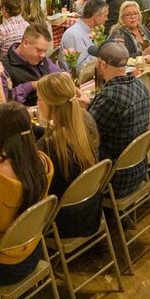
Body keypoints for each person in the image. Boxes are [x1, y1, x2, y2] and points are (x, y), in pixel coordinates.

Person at [0, 103, 53, 284]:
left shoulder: (0, 175)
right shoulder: (42, 161)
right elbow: (20, 184)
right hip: (33, 250)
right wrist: (2, 160)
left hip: (1, 265)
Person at [33, 73, 106, 238]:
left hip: (62, 224)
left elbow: (35, 189)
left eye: (40, 100)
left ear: (52, 105)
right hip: (91, 211)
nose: (39, 104)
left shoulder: (49, 145)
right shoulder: (86, 119)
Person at [88, 42, 150, 195]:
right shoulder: (140, 85)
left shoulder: (110, 98)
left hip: (114, 178)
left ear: (101, 64)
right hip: (138, 170)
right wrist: (91, 104)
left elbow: (87, 134)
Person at [1, 25, 63, 104]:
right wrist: (31, 86)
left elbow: (60, 74)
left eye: (45, 51)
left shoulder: (43, 60)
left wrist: (64, 76)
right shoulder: (3, 67)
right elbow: (6, 100)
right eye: (39, 50)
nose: (43, 55)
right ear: (25, 43)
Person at [60, 0, 106, 70]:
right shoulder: (74, 35)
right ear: (96, 17)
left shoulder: (92, 31)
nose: (106, 19)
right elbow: (79, 68)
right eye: (105, 16)